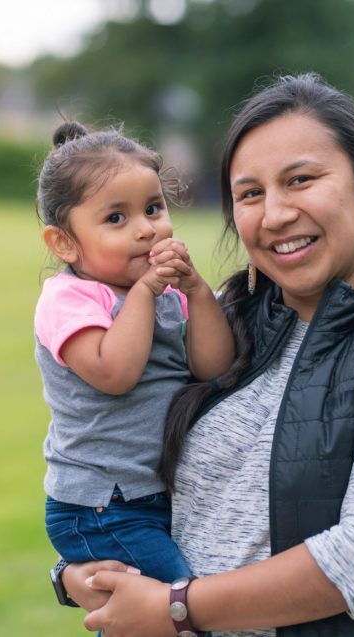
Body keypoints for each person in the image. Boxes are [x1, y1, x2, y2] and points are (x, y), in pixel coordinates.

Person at [58, 73, 354, 636]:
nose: (275, 215)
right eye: (250, 193)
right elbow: (114, 457)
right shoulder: (219, 319)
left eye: (301, 180)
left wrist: (176, 607)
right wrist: (73, 570)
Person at [35, 121, 236, 586]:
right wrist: (147, 290)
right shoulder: (70, 300)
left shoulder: (166, 294)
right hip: (101, 504)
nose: (146, 230)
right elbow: (115, 372)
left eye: (153, 208)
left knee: (142, 619)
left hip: (150, 497)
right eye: (116, 219)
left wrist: (197, 291)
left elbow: (213, 368)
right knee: (176, 602)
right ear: (64, 242)